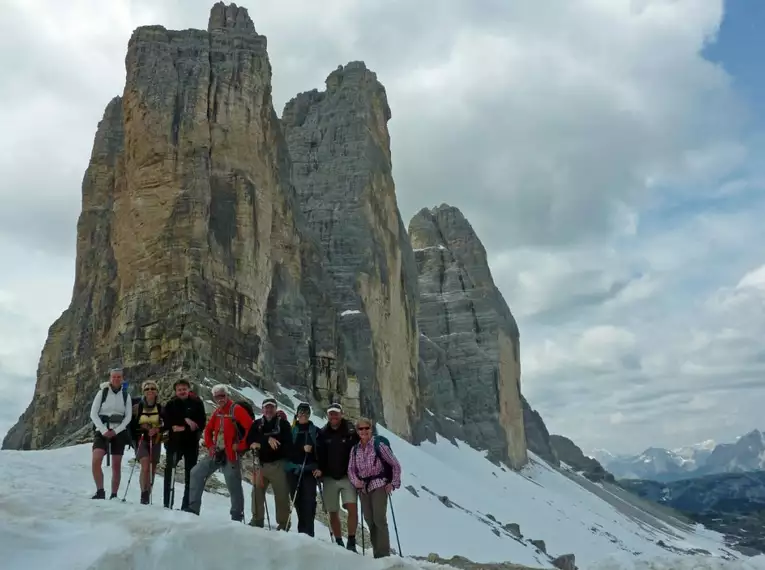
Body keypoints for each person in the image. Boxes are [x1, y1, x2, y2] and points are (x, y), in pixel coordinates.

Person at [185, 384, 253, 521]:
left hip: (231, 454)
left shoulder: (236, 409)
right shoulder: (218, 412)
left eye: (222, 395)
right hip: (216, 452)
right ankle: (193, 509)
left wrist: (240, 446)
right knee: (196, 472)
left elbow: (251, 428)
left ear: (227, 395)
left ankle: (237, 515)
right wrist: (210, 446)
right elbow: (208, 430)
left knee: (233, 484)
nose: (220, 399)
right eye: (217, 397)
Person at [347, 417, 402, 559]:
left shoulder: (379, 446)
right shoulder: (355, 449)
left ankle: (383, 555)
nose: (364, 431)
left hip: (379, 484)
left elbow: (395, 465)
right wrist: (356, 482)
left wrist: (393, 483)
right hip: (363, 488)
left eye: (367, 428)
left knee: (379, 519)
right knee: (369, 520)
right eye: (361, 429)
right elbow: (351, 470)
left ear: (371, 429)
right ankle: (377, 552)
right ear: (357, 431)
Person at [316, 402, 360, 551]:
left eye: (336, 413)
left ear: (341, 414)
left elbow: (359, 450)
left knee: (352, 508)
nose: (333, 416)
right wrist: (319, 470)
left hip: (348, 476)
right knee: (332, 511)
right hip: (329, 477)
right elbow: (319, 455)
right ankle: (339, 541)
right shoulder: (323, 433)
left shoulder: (350, 431)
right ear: (327, 415)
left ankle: (352, 541)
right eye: (331, 413)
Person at [245, 397, 292, 530]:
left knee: (281, 495)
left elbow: (285, 445)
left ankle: (283, 524)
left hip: (278, 464)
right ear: (263, 409)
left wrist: (261, 443)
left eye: (271, 407)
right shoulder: (257, 424)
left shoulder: (283, 424)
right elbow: (250, 440)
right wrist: (267, 440)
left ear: (276, 409)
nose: (269, 410)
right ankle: (257, 519)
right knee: (256, 493)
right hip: (260, 464)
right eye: (266, 407)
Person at [161, 378, 206, 510]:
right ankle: (167, 503)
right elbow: (167, 422)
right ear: (175, 391)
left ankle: (186, 506)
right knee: (170, 472)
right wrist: (185, 420)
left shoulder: (197, 403)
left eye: (184, 389)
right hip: (174, 443)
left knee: (190, 475)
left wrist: (182, 426)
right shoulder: (171, 404)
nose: (182, 392)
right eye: (179, 390)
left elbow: (201, 423)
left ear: (189, 389)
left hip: (191, 444)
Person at [89, 367, 133, 499]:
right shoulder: (102, 393)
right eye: (114, 377)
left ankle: (114, 495)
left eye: (119, 377)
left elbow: (128, 417)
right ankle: (100, 491)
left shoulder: (126, 395)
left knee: (116, 464)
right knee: (96, 460)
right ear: (110, 378)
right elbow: (93, 414)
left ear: (122, 378)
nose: (116, 379)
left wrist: (115, 431)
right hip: (101, 430)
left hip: (118, 431)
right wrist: (103, 430)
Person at [284, 402, 321, 536]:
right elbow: (286, 450)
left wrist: (319, 467)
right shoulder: (291, 430)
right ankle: (302, 531)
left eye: (306, 412)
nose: (303, 415)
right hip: (293, 470)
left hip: (309, 471)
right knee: (297, 500)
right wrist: (301, 449)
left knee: (309, 501)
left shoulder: (315, 431)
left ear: (309, 414)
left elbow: (321, 451)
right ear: (297, 414)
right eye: (301, 412)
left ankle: (309, 532)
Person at [130, 379, 163, 505]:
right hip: (141, 439)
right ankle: (144, 494)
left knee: (152, 468)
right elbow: (131, 424)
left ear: (156, 392)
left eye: (153, 389)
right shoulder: (136, 407)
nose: (150, 391)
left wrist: (157, 428)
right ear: (143, 392)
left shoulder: (160, 408)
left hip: (156, 439)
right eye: (147, 389)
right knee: (145, 466)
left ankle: (147, 494)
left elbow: (166, 423)